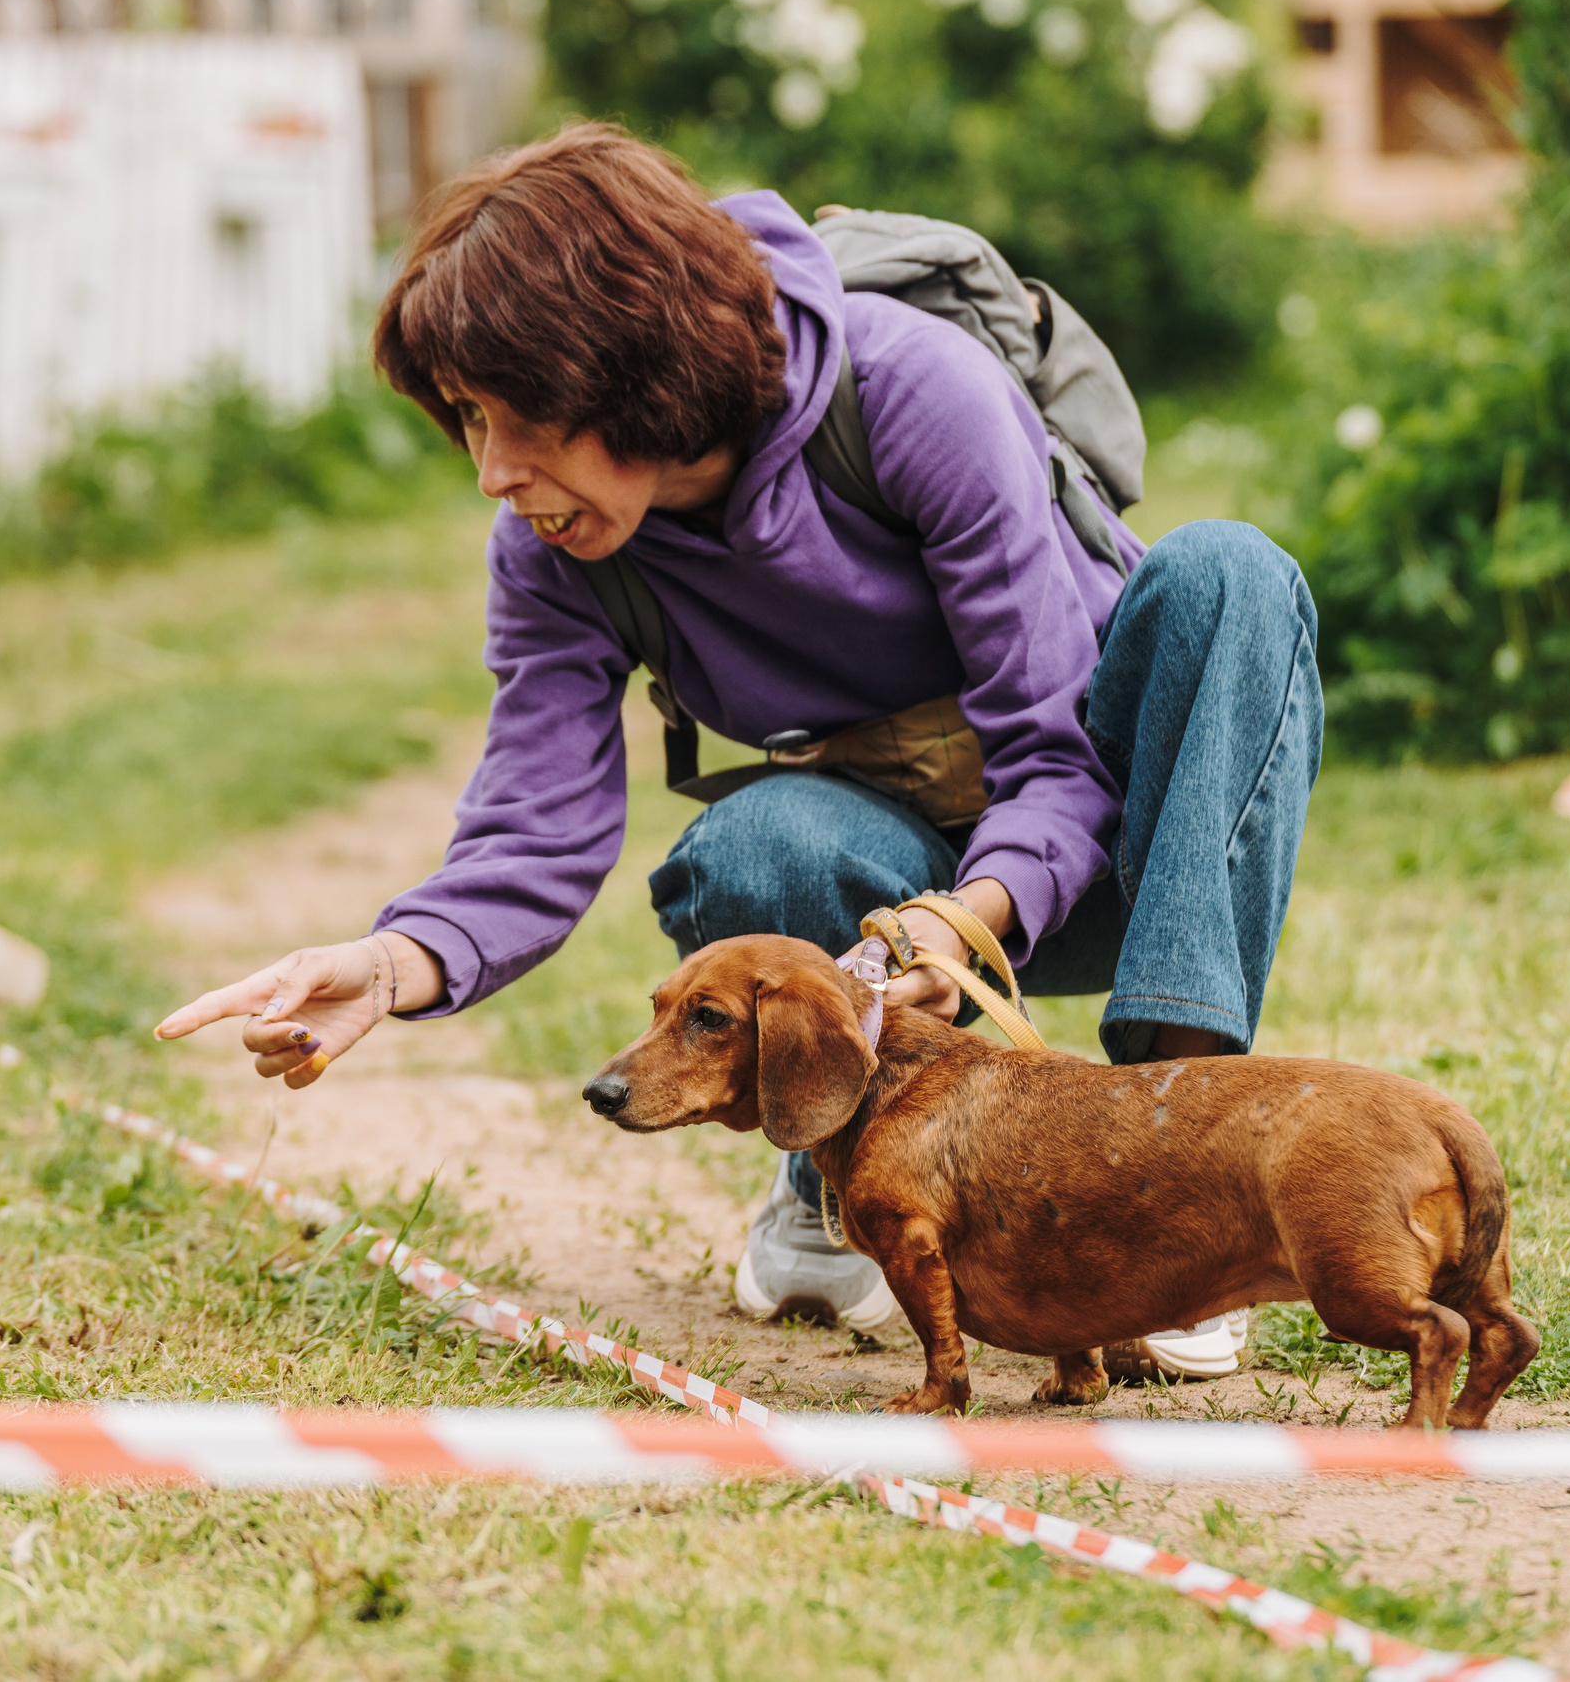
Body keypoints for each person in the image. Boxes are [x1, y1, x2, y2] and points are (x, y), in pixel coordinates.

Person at [156, 123, 1322, 1380]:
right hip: (880, 895)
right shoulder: (553, 549)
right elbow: (534, 821)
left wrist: (952, 926)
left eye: (515, 419)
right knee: (756, 843)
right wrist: (393, 963)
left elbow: (1054, 758)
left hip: (1105, 854)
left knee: (1230, 574)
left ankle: (1170, 1186)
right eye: (468, 425)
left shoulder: (914, 391)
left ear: (626, 369)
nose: (493, 472)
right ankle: (831, 1173)